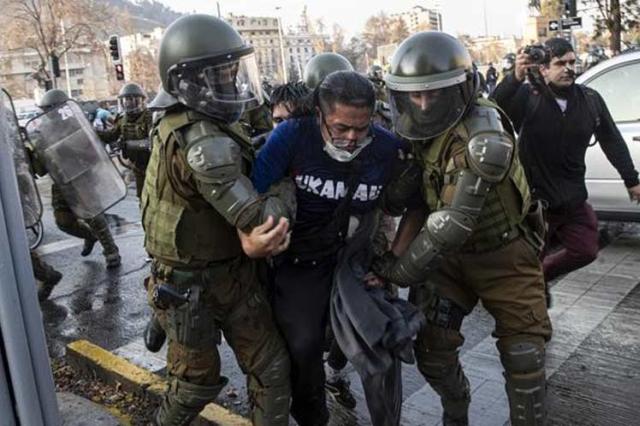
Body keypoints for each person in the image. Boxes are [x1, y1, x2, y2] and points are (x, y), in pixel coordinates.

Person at [373, 32, 552, 426]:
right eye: (415, 96)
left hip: (503, 254)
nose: (422, 104)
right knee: (433, 355)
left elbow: (452, 224)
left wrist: (394, 273)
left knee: (525, 357)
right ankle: (457, 415)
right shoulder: (421, 131)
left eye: (433, 94)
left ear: (460, 88)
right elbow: (413, 200)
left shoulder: (484, 136)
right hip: (449, 263)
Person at [143, 14, 294, 425]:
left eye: (233, 72)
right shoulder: (203, 140)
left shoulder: (182, 121)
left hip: (226, 275)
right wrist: (285, 177)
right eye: (223, 75)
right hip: (191, 285)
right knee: (194, 385)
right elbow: (263, 225)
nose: (234, 83)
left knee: (272, 369)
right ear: (191, 82)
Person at [251, 70, 405, 425]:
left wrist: (395, 260)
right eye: (340, 128)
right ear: (319, 115)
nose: (352, 138)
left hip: (355, 258)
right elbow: (254, 193)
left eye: (361, 128)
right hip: (301, 259)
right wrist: (253, 238)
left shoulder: (387, 148)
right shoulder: (291, 136)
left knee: (384, 340)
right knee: (303, 346)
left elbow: (417, 205)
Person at [493, 38, 640, 284]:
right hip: (534, 203)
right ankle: (531, 295)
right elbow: (494, 108)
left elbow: (611, 139)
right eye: (560, 63)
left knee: (586, 250)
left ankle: (541, 277)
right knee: (528, 265)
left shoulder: (590, 100)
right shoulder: (529, 97)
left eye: (572, 62)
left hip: (572, 198)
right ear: (543, 69)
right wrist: (514, 77)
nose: (568, 68)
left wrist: (631, 180)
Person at [32, 89, 121, 268]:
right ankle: (90, 237)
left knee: (94, 217)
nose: (45, 114)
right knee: (63, 222)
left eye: (48, 110)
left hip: (82, 178)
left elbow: (95, 147)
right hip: (60, 183)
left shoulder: (76, 126)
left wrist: (118, 127)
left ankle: (111, 251)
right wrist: (31, 156)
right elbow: (41, 168)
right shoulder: (42, 133)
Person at [98, 83, 153, 199]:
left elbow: (153, 142)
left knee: (156, 196)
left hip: (153, 164)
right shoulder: (122, 119)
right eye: (126, 100)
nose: (129, 103)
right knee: (142, 198)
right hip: (138, 166)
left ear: (141, 101)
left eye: (133, 99)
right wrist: (94, 132)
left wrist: (128, 145)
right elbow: (111, 135)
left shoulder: (149, 116)